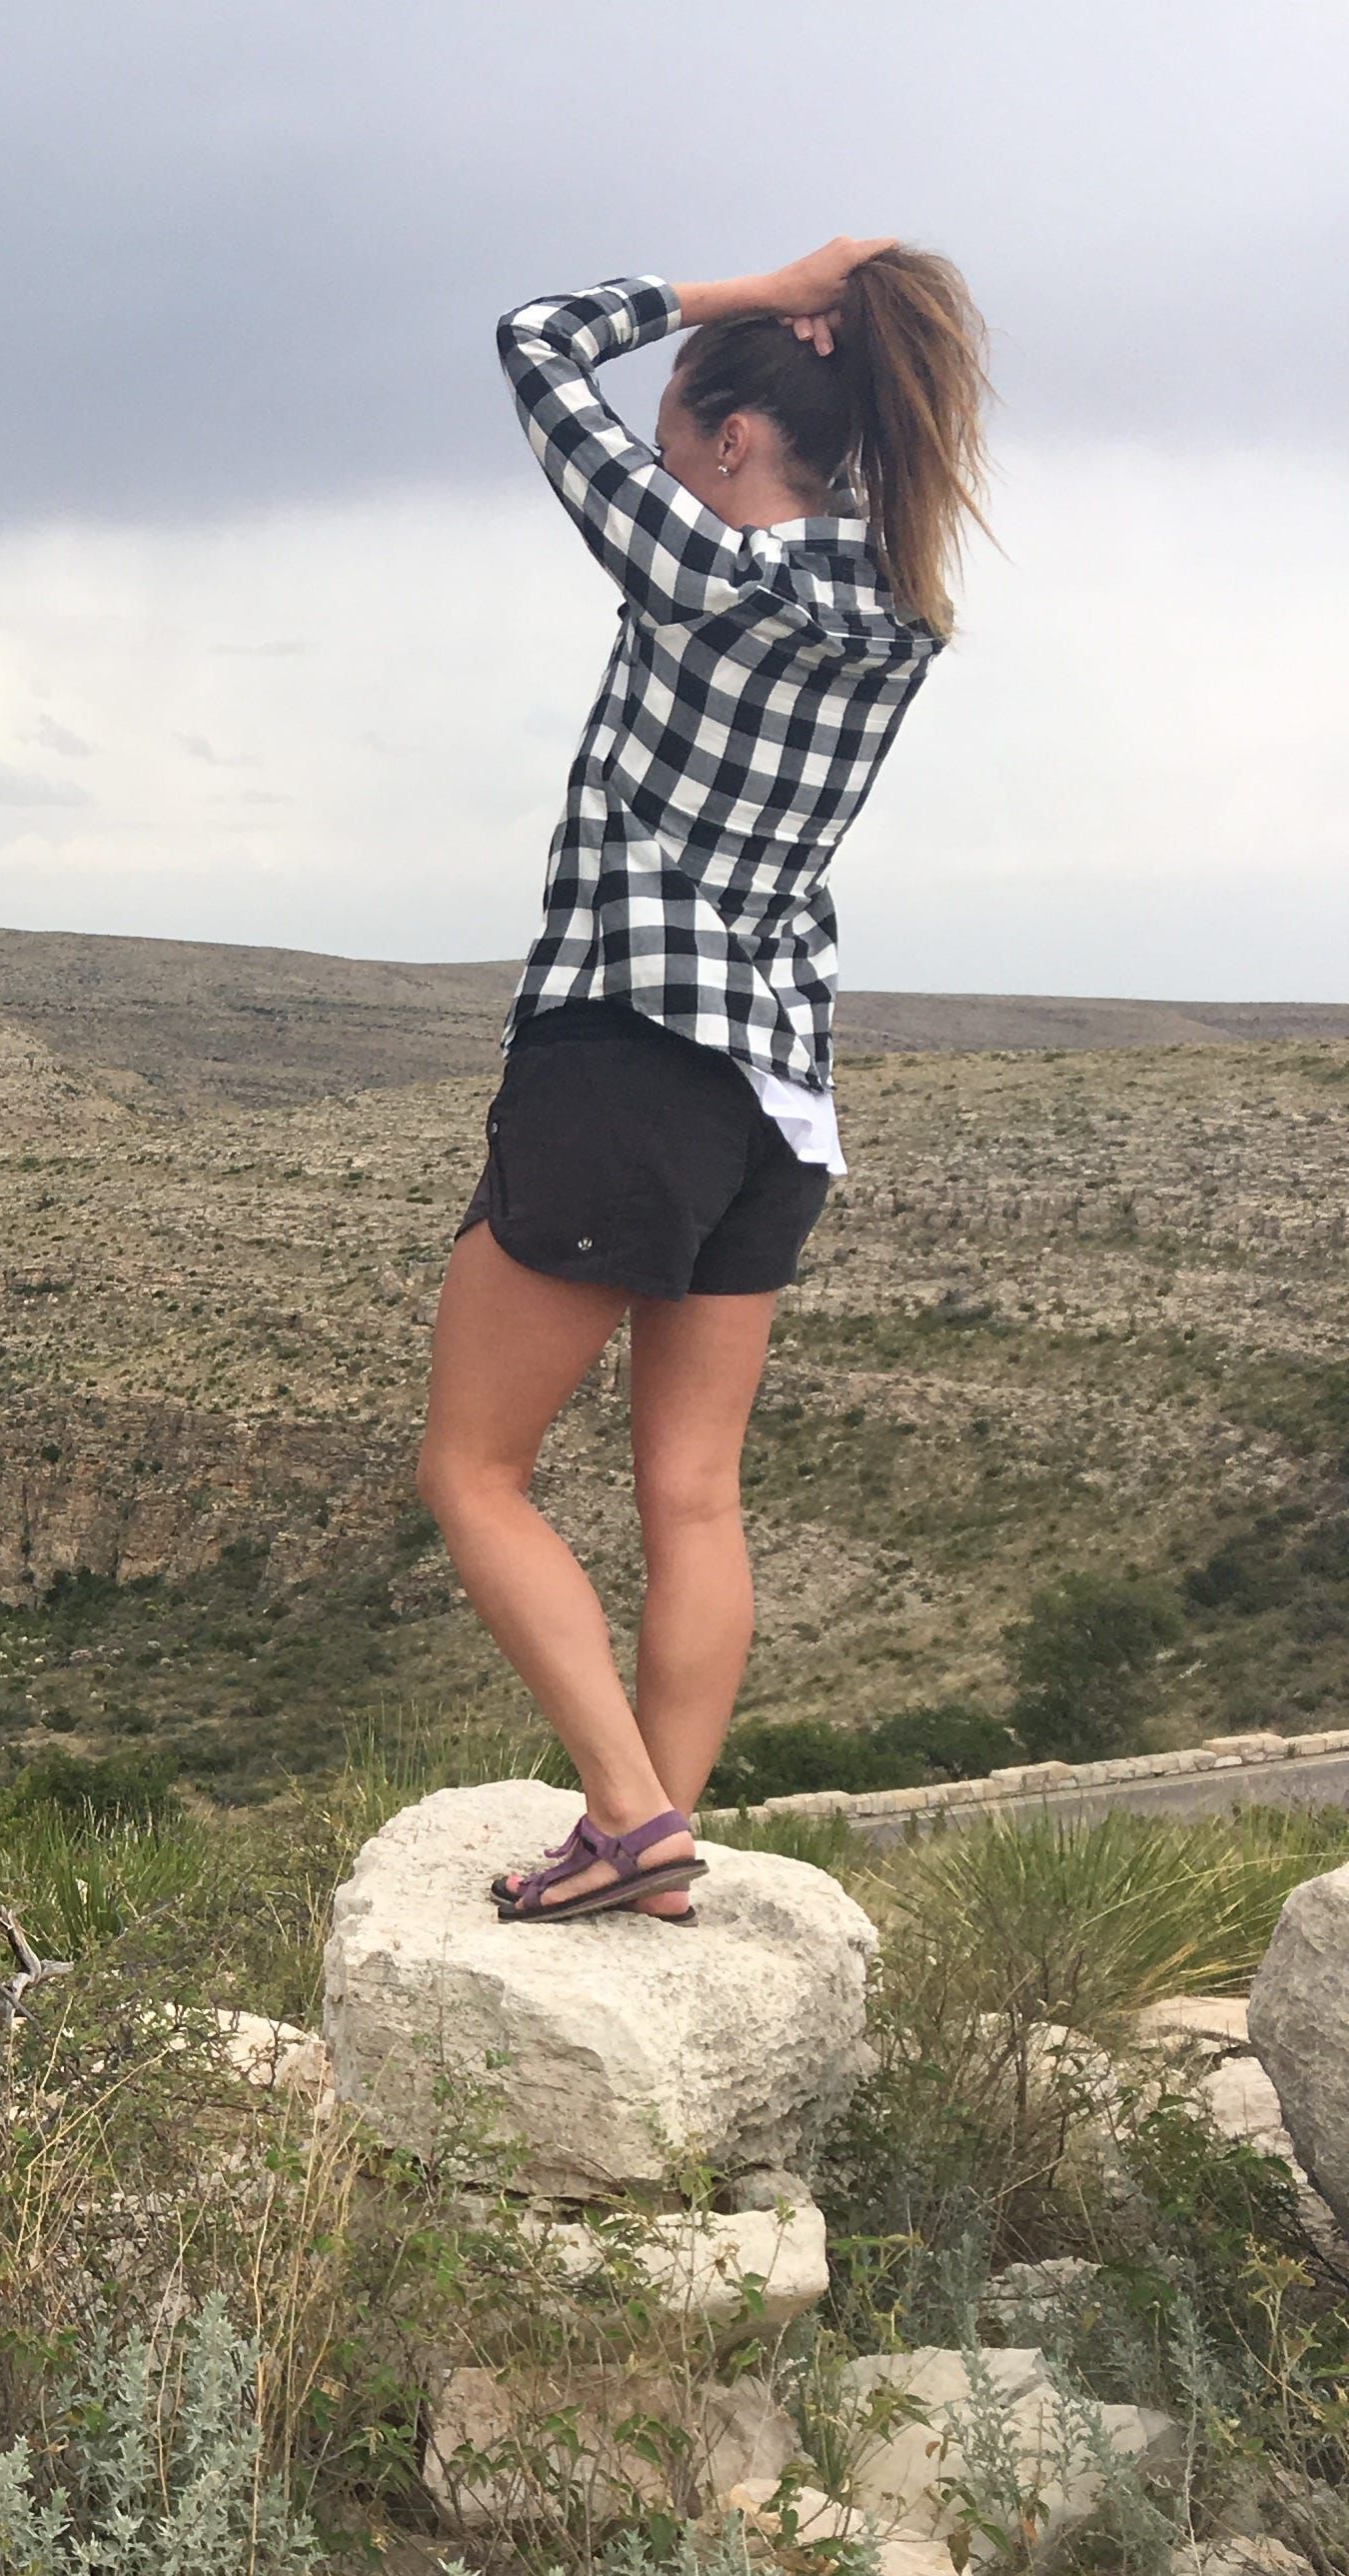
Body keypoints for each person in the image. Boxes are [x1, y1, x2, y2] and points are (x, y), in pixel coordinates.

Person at [422, 239, 994, 1924]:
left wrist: (750, 283)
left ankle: (623, 1818)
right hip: (778, 1097)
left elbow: (532, 341)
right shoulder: (897, 610)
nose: (663, 455)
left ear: (736, 437)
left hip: (625, 1056)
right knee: (694, 1492)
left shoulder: (698, 565)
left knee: (473, 1470)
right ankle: (660, 1848)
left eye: (680, 429)